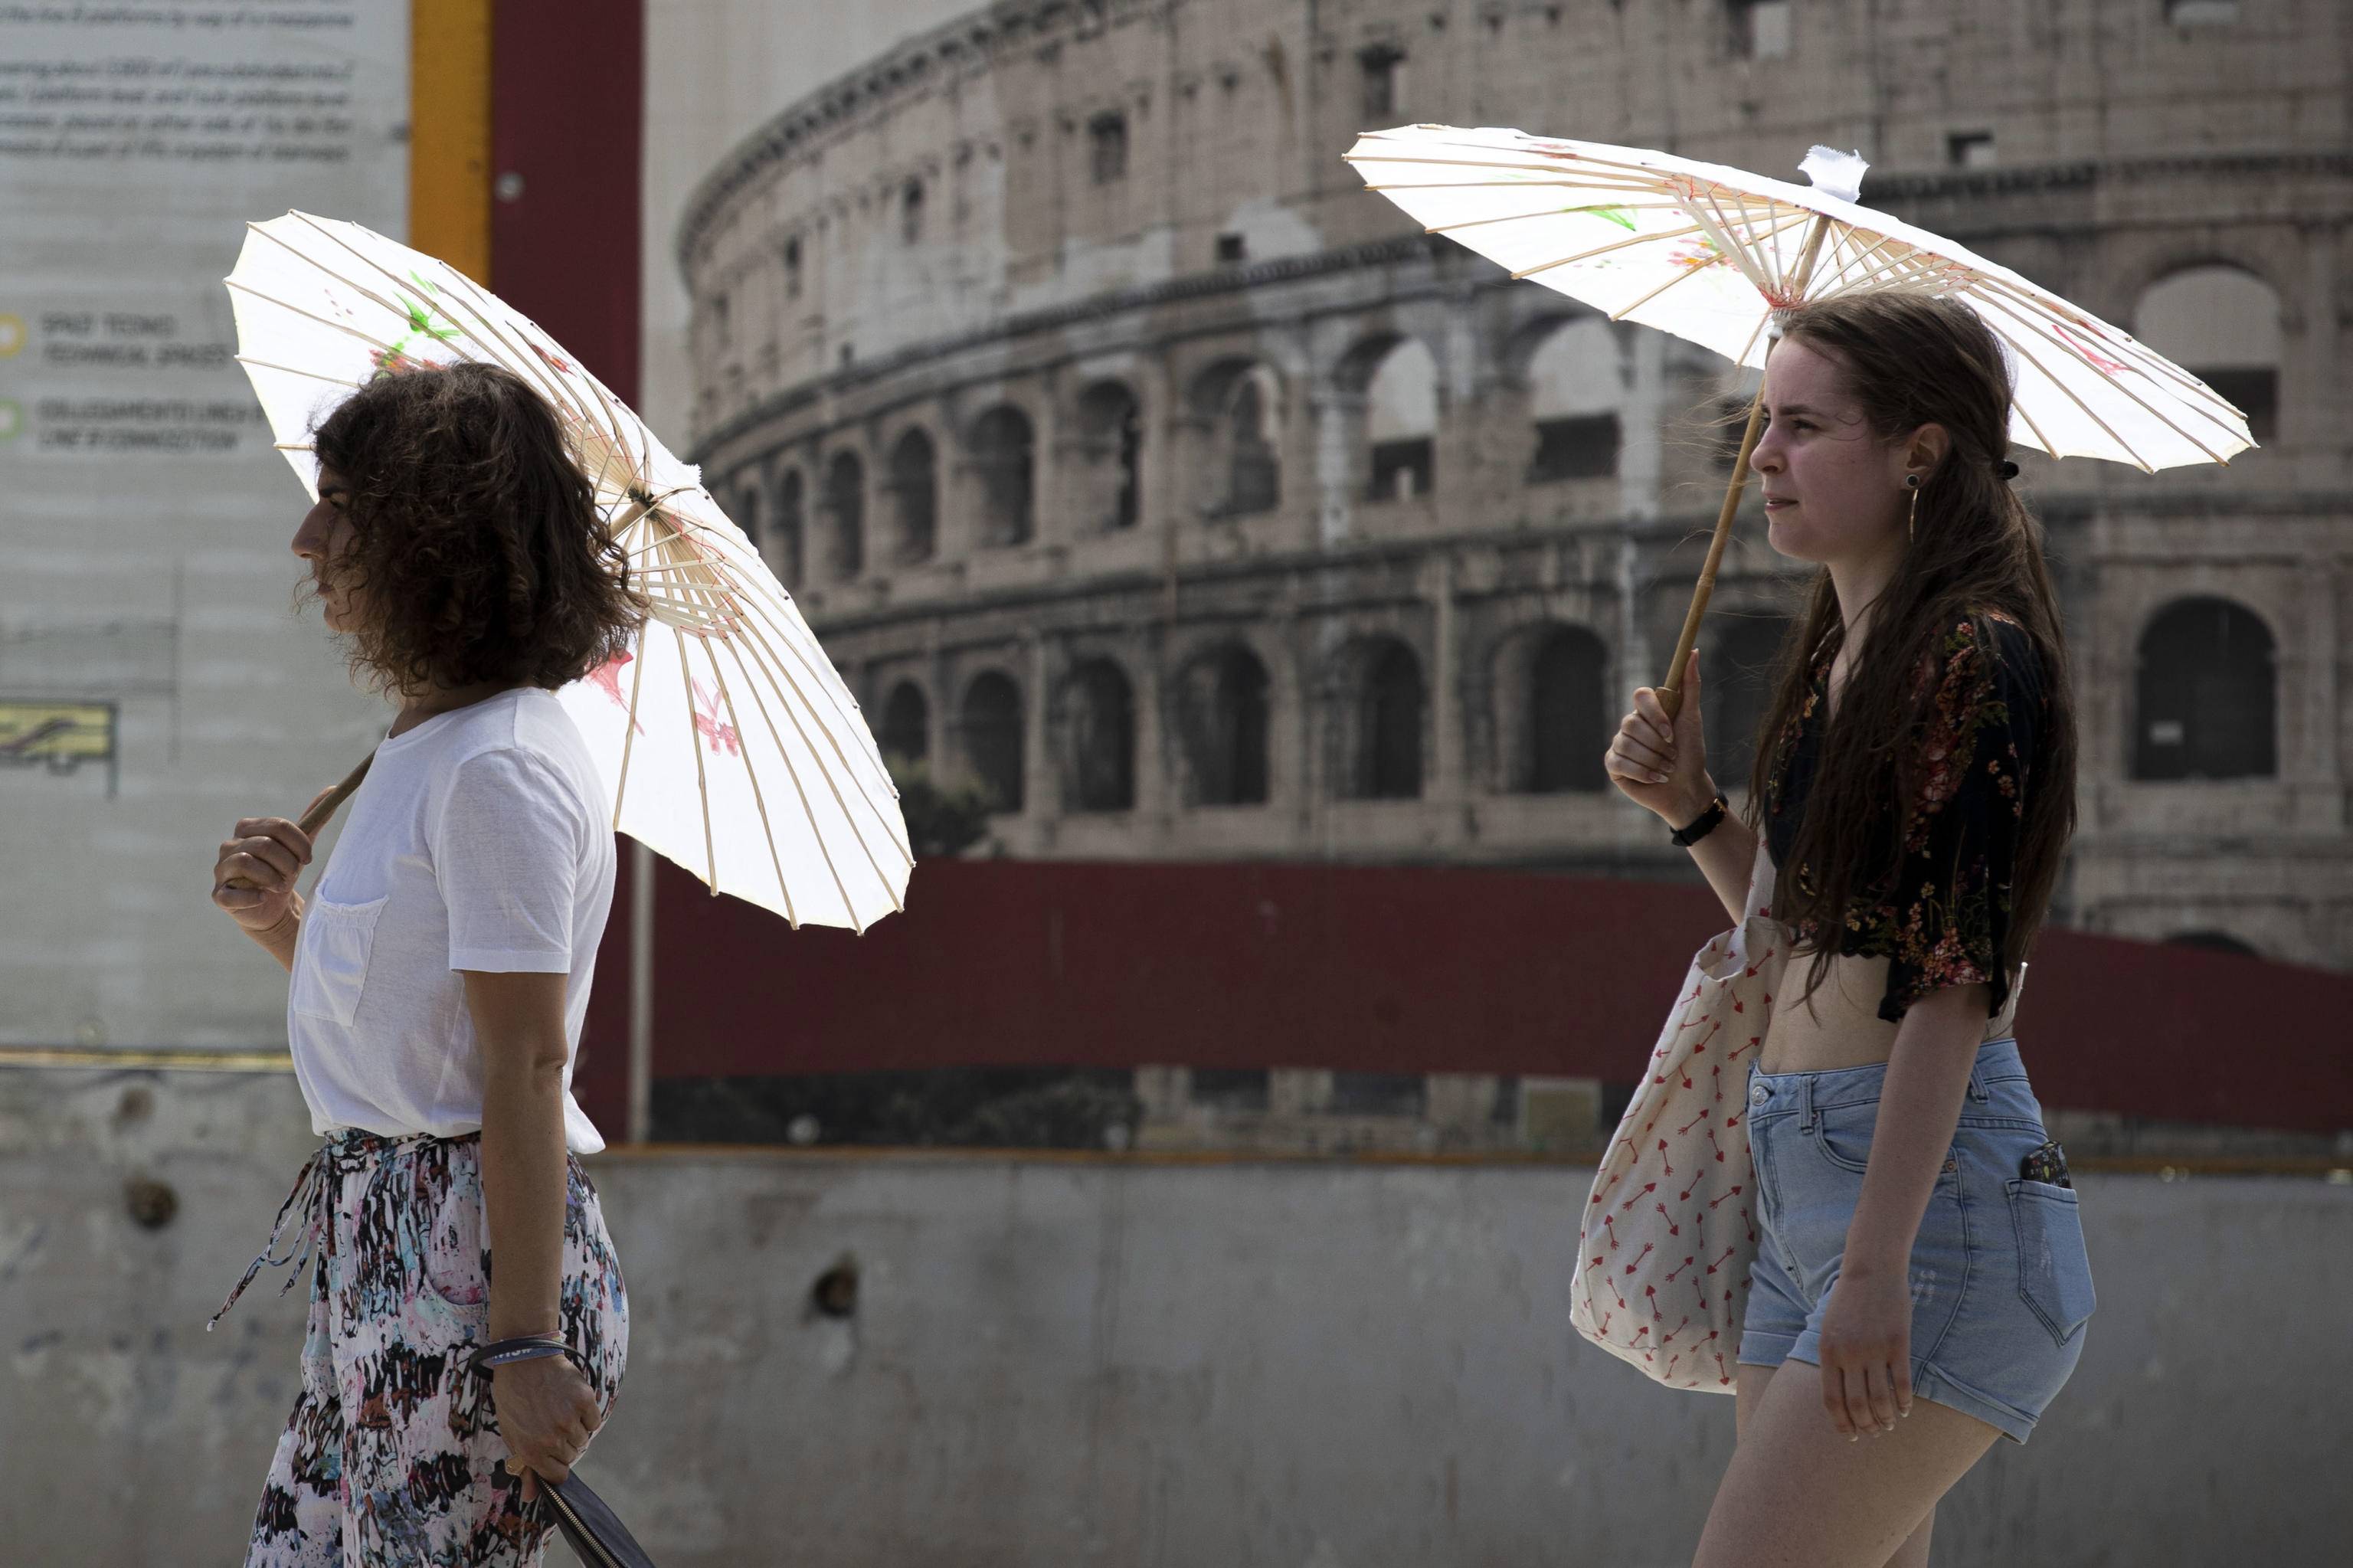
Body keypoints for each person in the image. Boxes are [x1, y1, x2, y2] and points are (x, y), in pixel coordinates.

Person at [1605, 294, 2090, 1568]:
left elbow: (1951, 986)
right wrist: (1694, 811)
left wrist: (1875, 1268)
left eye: (1804, 425)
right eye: (1765, 421)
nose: (1762, 454)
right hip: (1812, 1199)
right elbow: (1816, 947)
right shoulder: (1845, 658)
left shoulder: (1972, 658)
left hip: (1919, 1211)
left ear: (1919, 454)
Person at [208, 360, 646, 1566]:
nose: (309, 540)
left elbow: (523, 1060)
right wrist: (279, 924)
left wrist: (521, 1345)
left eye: (341, 504)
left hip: (465, 1269)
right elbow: (411, 1029)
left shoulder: (496, 765)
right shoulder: (430, 744)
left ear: (431, 540)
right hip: (383, 1237)